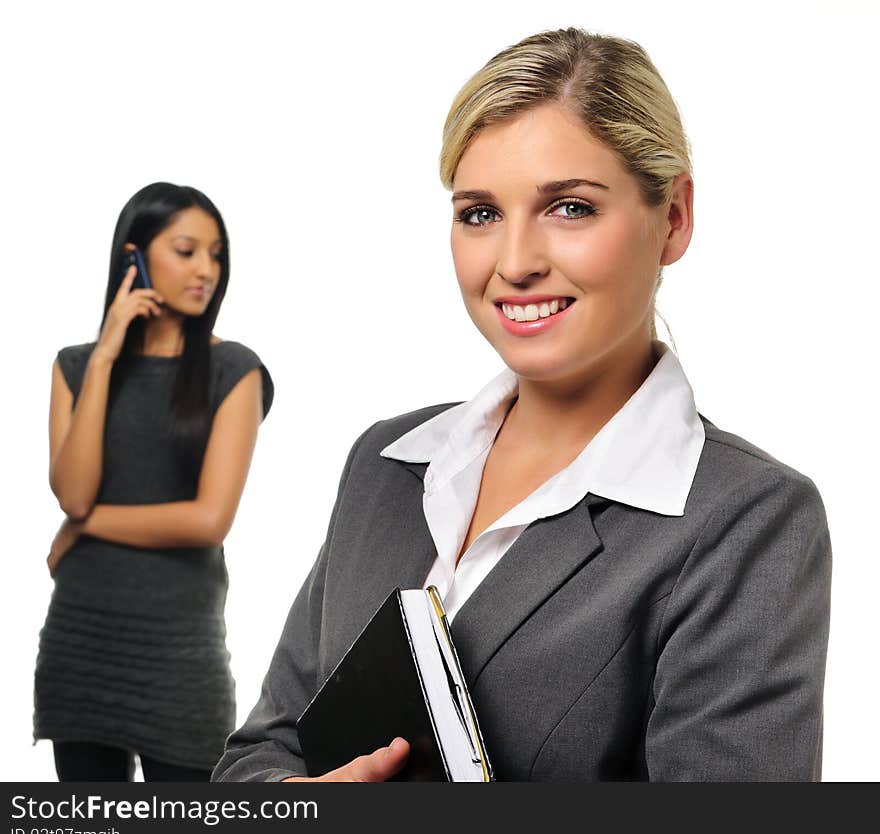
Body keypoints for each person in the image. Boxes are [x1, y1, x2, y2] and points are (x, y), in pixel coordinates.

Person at [212, 28, 831, 783]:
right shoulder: (386, 464)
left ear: (673, 217)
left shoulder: (747, 521)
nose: (514, 263)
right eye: (479, 214)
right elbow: (258, 757)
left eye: (569, 208)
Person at [34, 182, 274, 782]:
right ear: (134, 258)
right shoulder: (75, 366)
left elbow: (207, 520)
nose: (207, 270)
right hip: (80, 643)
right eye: (187, 251)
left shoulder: (234, 369)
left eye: (216, 254)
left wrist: (83, 530)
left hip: (178, 655)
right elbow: (75, 492)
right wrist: (109, 353)